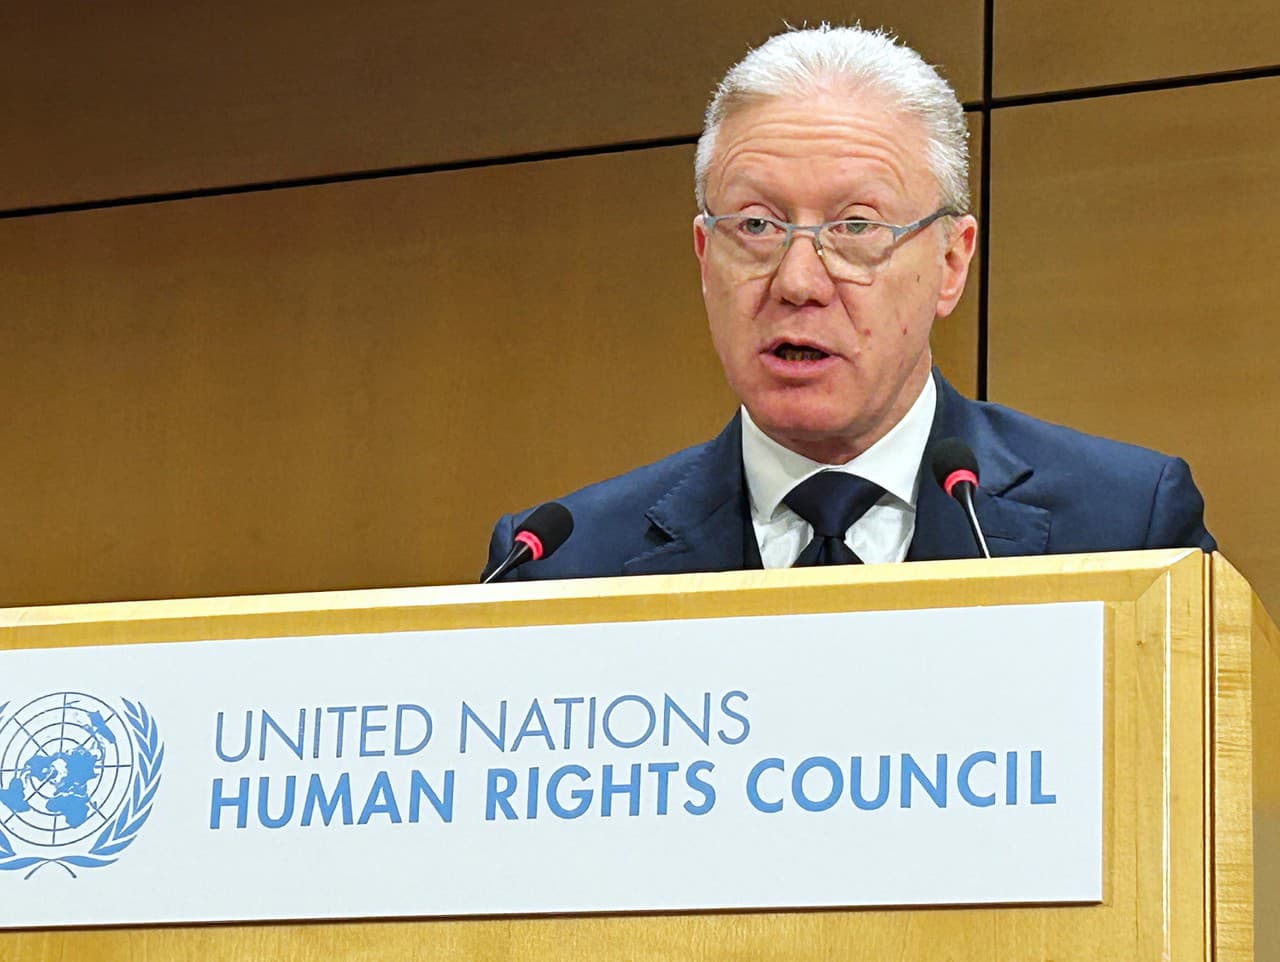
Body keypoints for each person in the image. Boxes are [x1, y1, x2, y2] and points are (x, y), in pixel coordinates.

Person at [482, 24, 1214, 582]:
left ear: (951, 262)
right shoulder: (560, 562)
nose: (798, 281)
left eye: (856, 227)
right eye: (756, 226)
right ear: (705, 257)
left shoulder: (1127, 529)